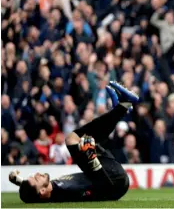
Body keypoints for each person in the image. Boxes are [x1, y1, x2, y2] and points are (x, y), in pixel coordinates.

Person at [8, 82, 140, 203]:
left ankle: (120, 109)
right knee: (73, 140)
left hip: (109, 174)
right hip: (114, 181)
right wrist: (91, 157)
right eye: (36, 178)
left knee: (82, 138)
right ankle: (121, 108)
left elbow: (33, 192)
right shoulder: (66, 191)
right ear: (42, 191)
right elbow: (106, 189)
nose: (37, 174)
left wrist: (19, 182)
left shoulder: (47, 190)